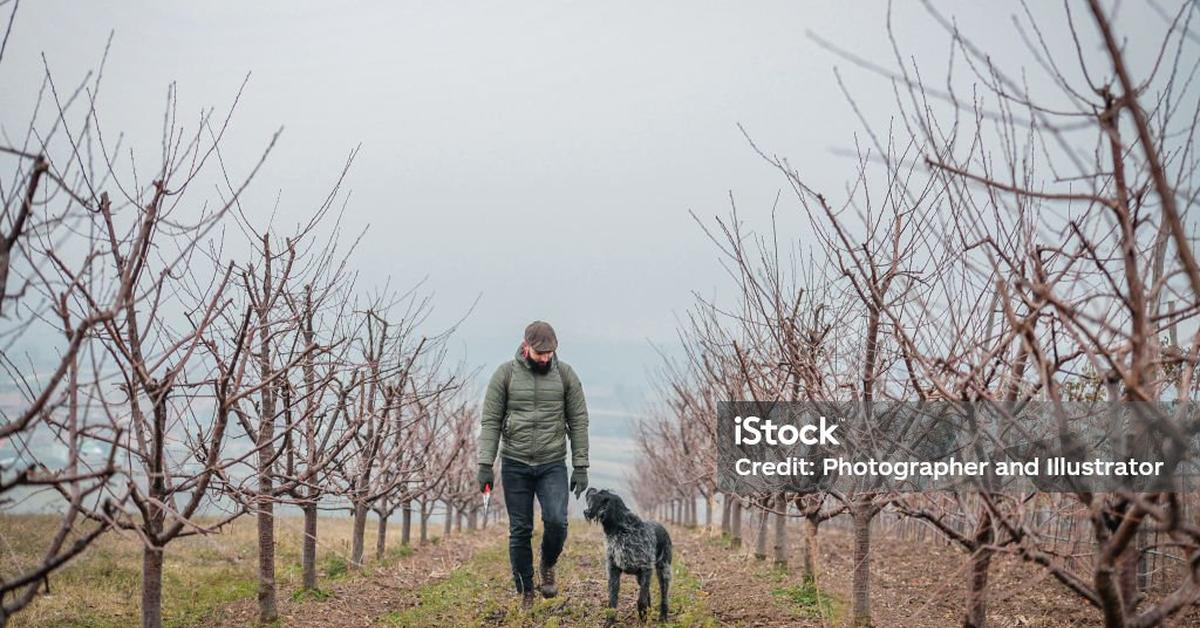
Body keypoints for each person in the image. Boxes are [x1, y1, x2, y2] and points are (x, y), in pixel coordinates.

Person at [477, 320, 590, 607]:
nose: (545, 358)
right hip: (515, 462)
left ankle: (548, 563)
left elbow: (578, 420)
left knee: (557, 521)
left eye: (550, 353)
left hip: (552, 462)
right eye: (540, 353)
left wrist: (580, 465)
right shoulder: (505, 375)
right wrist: (485, 464)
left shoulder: (566, 376)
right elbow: (490, 422)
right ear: (525, 346)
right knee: (520, 529)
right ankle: (526, 589)